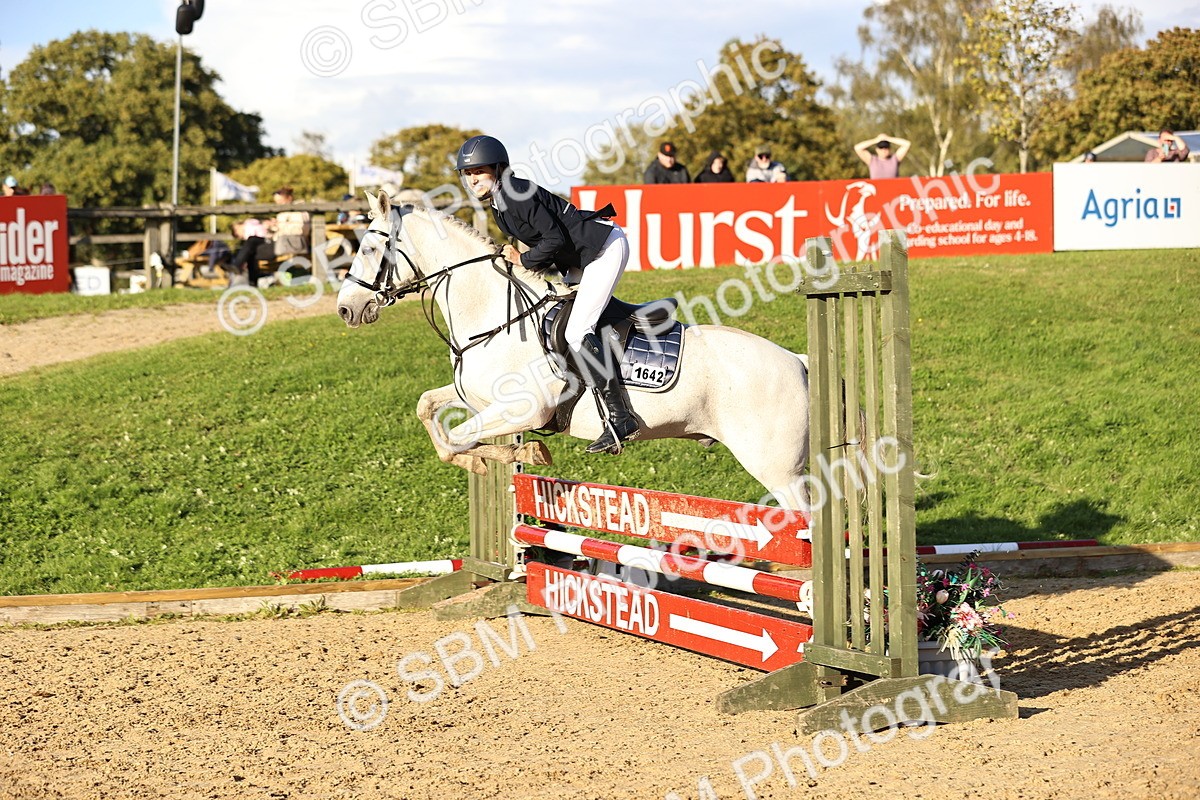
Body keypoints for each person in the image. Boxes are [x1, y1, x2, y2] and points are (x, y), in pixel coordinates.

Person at [456, 134, 640, 454]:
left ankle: (620, 417)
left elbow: (553, 238)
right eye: (468, 174)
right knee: (559, 314)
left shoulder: (516, 195)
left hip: (603, 249)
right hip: (580, 258)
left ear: (498, 169)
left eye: (479, 172)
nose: (473, 180)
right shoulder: (500, 204)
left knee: (577, 330)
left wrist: (523, 260)